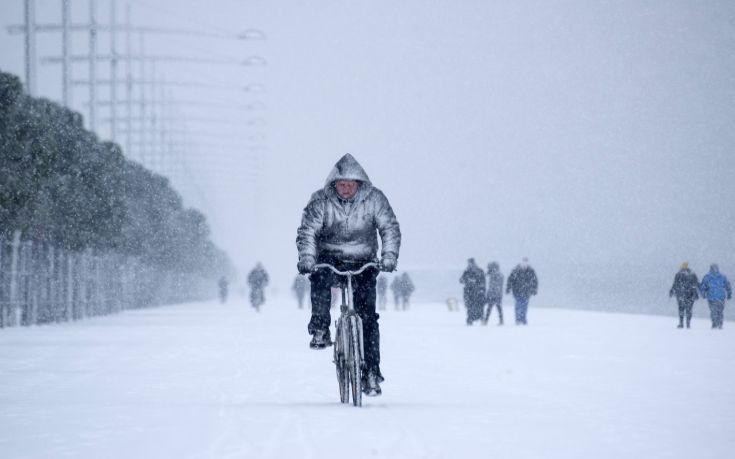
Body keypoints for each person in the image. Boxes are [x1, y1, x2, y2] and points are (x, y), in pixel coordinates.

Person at [296, 154, 401, 396]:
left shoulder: (375, 199)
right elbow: (307, 231)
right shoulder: (320, 201)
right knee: (319, 280)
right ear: (333, 184)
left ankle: (372, 372)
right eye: (341, 184)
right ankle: (320, 329)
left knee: (369, 318)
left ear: (359, 184)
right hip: (329, 259)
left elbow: (389, 228)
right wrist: (308, 258)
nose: (345, 189)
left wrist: (389, 257)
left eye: (350, 185)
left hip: (364, 261)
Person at [506, 257, 538, 325]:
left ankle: (523, 318)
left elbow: (535, 281)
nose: (524, 263)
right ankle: (518, 319)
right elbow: (510, 280)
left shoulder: (531, 271)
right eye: (523, 262)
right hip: (517, 291)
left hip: (526, 291)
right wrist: (508, 288)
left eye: (526, 262)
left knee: (524, 306)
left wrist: (534, 289)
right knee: (518, 305)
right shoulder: (516, 270)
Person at [699, 264, 732, 329]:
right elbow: (728, 286)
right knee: (720, 311)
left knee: (713, 311)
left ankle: (715, 323)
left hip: (711, 297)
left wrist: (703, 294)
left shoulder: (707, 277)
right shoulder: (722, 277)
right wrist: (729, 294)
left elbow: (703, 286)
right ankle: (720, 323)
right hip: (721, 297)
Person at [669, 262, 699, 328]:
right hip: (690, 295)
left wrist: (672, 291)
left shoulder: (678, 274)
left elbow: (675, 284)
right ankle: (688, 324)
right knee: (689, 310)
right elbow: (696, 284)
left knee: (681, 309)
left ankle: (681, 323)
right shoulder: (692, 274)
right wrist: (696, 293)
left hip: (681, 295)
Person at [460, 258, 486, 325]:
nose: (469, 264)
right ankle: (470, 319)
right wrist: (466, 280)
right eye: (468, 263)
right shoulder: (467, 271)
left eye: (470, 263)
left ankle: (479, 318)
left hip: (476, 291)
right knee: (470, 306)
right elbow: (461, 280)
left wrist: (476, 283)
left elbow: (482, 281)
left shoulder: (479, 271)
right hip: (469, 291)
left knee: (477, 305)